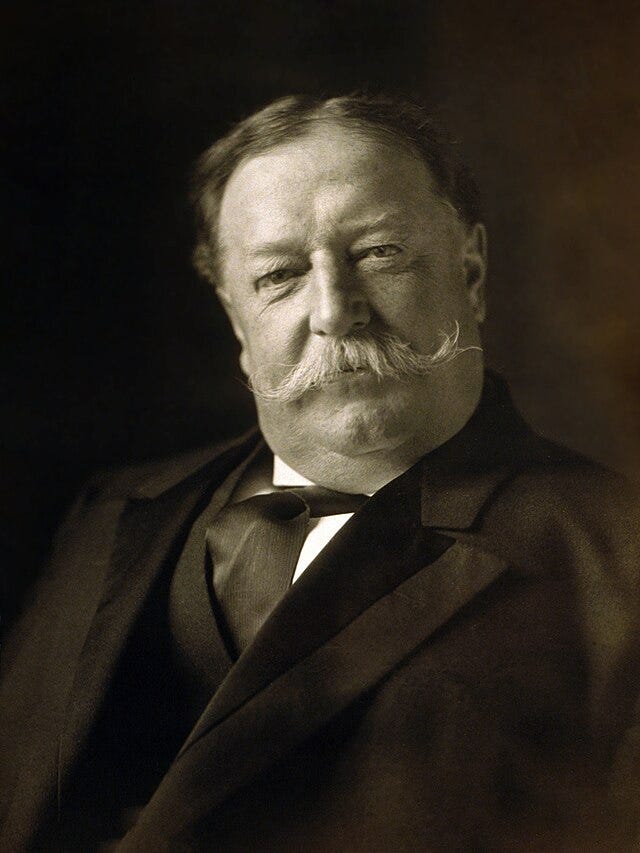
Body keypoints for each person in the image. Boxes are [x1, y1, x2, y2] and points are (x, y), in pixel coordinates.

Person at [1, 94, 639, 852]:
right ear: (236, 319)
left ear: (470, 273)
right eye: (279, 274)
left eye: (379, 253)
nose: (336, 310)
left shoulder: (617, 554)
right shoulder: (111, 510)